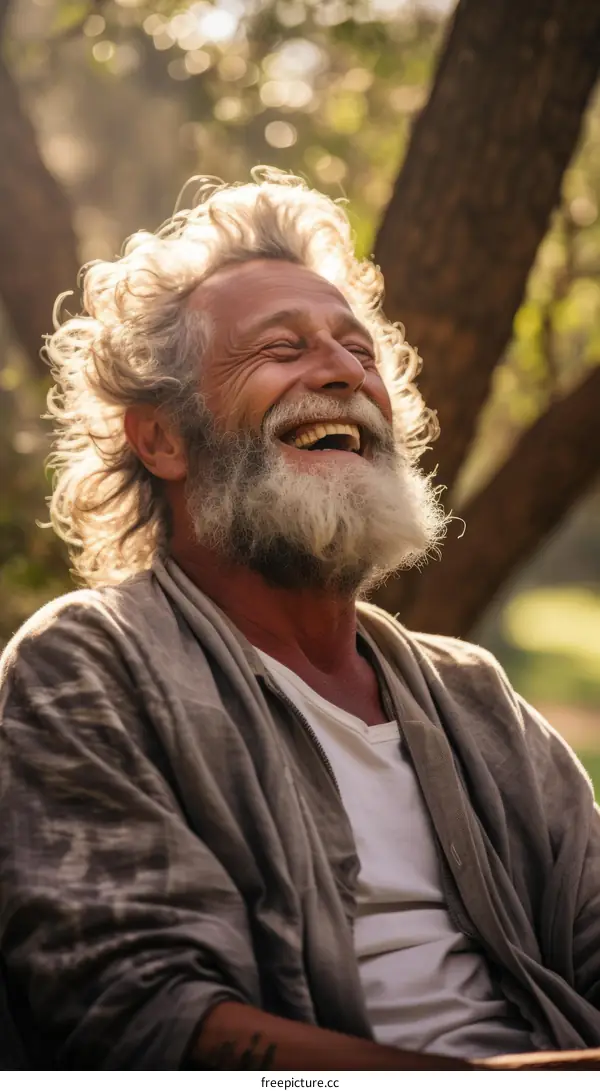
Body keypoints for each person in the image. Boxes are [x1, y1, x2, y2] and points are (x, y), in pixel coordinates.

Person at [0, 168, 599, 1072]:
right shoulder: (91, 662)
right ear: (161, 436)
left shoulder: (474, 694)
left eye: (359, 352)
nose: (341, 372)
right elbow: (144, 1021)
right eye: (280, 350)